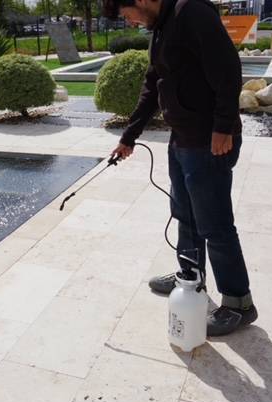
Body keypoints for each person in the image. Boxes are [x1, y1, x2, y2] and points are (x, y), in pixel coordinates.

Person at [103, 0, 257, 336]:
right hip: (182, 139)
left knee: (214, 224)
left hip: (209, 140)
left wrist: (223, 127)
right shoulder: (161, 26)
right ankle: (190, 277)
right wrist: (129, 136)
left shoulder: (192, 13)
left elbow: (228, 69)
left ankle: (239, 303)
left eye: (127, 15)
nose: (129, 22)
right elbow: (153, 83)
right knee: (185, 214)